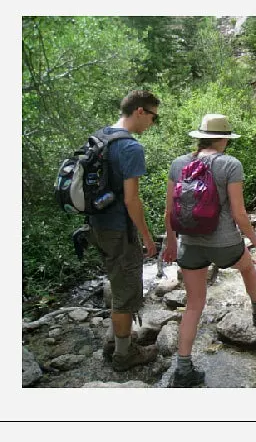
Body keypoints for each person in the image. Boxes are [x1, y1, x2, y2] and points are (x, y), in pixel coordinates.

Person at [162, 113, 256, 387]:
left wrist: (172, 241)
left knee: (194, 304)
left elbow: (169, 210)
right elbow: (239, 214)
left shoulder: (179, 164)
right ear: (223, 139)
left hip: (190, 244)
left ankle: (183, 369)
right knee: (247, 267)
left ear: (200, 138)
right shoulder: (230, 164)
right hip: (225, 243)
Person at [88, 90, 160, 371]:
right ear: (140, 111)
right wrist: (146, 236)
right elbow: (132, 200)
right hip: (119, 229)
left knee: (118, 284)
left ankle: (113, 341)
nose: (153, 123)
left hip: (96, 226)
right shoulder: (130, 147)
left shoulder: (101, 136)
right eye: (154, 117)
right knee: (126, 292)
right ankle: (123, 355)